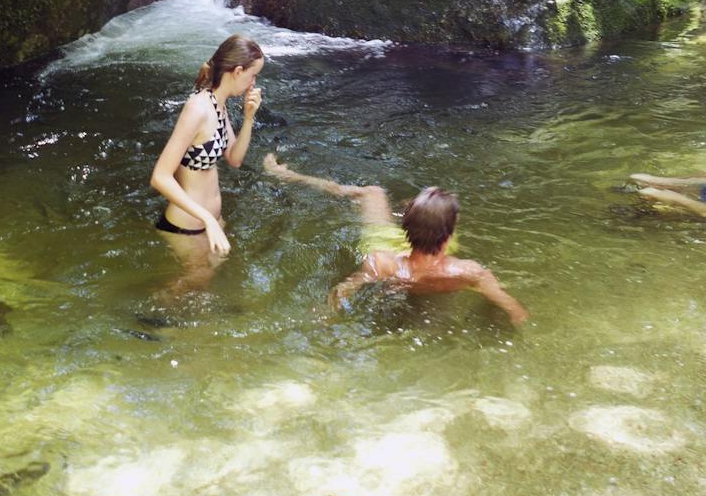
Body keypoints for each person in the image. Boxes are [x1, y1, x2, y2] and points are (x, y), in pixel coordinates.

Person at [262, 153, 527, 325]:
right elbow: (515, 310)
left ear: (404, 227)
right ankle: (423, 207)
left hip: (389, 247)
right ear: (447, 240)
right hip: (429, 250)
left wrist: (322, 318)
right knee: (442, 203)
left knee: (373, 192)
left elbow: (341, 293)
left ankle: (287, 175)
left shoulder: (382, 264)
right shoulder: (469, 272)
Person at [149, 35, 264, 290]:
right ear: (237, 71)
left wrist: (248, 118)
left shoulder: (218, 105)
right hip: (187, 224)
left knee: (209, 275)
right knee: (196, 280)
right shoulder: (198, 108)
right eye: (252, 75)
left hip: (208, 221)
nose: (253, 83)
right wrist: (208, 219)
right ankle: (148, 320)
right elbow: (160, 176)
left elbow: (234, 159)